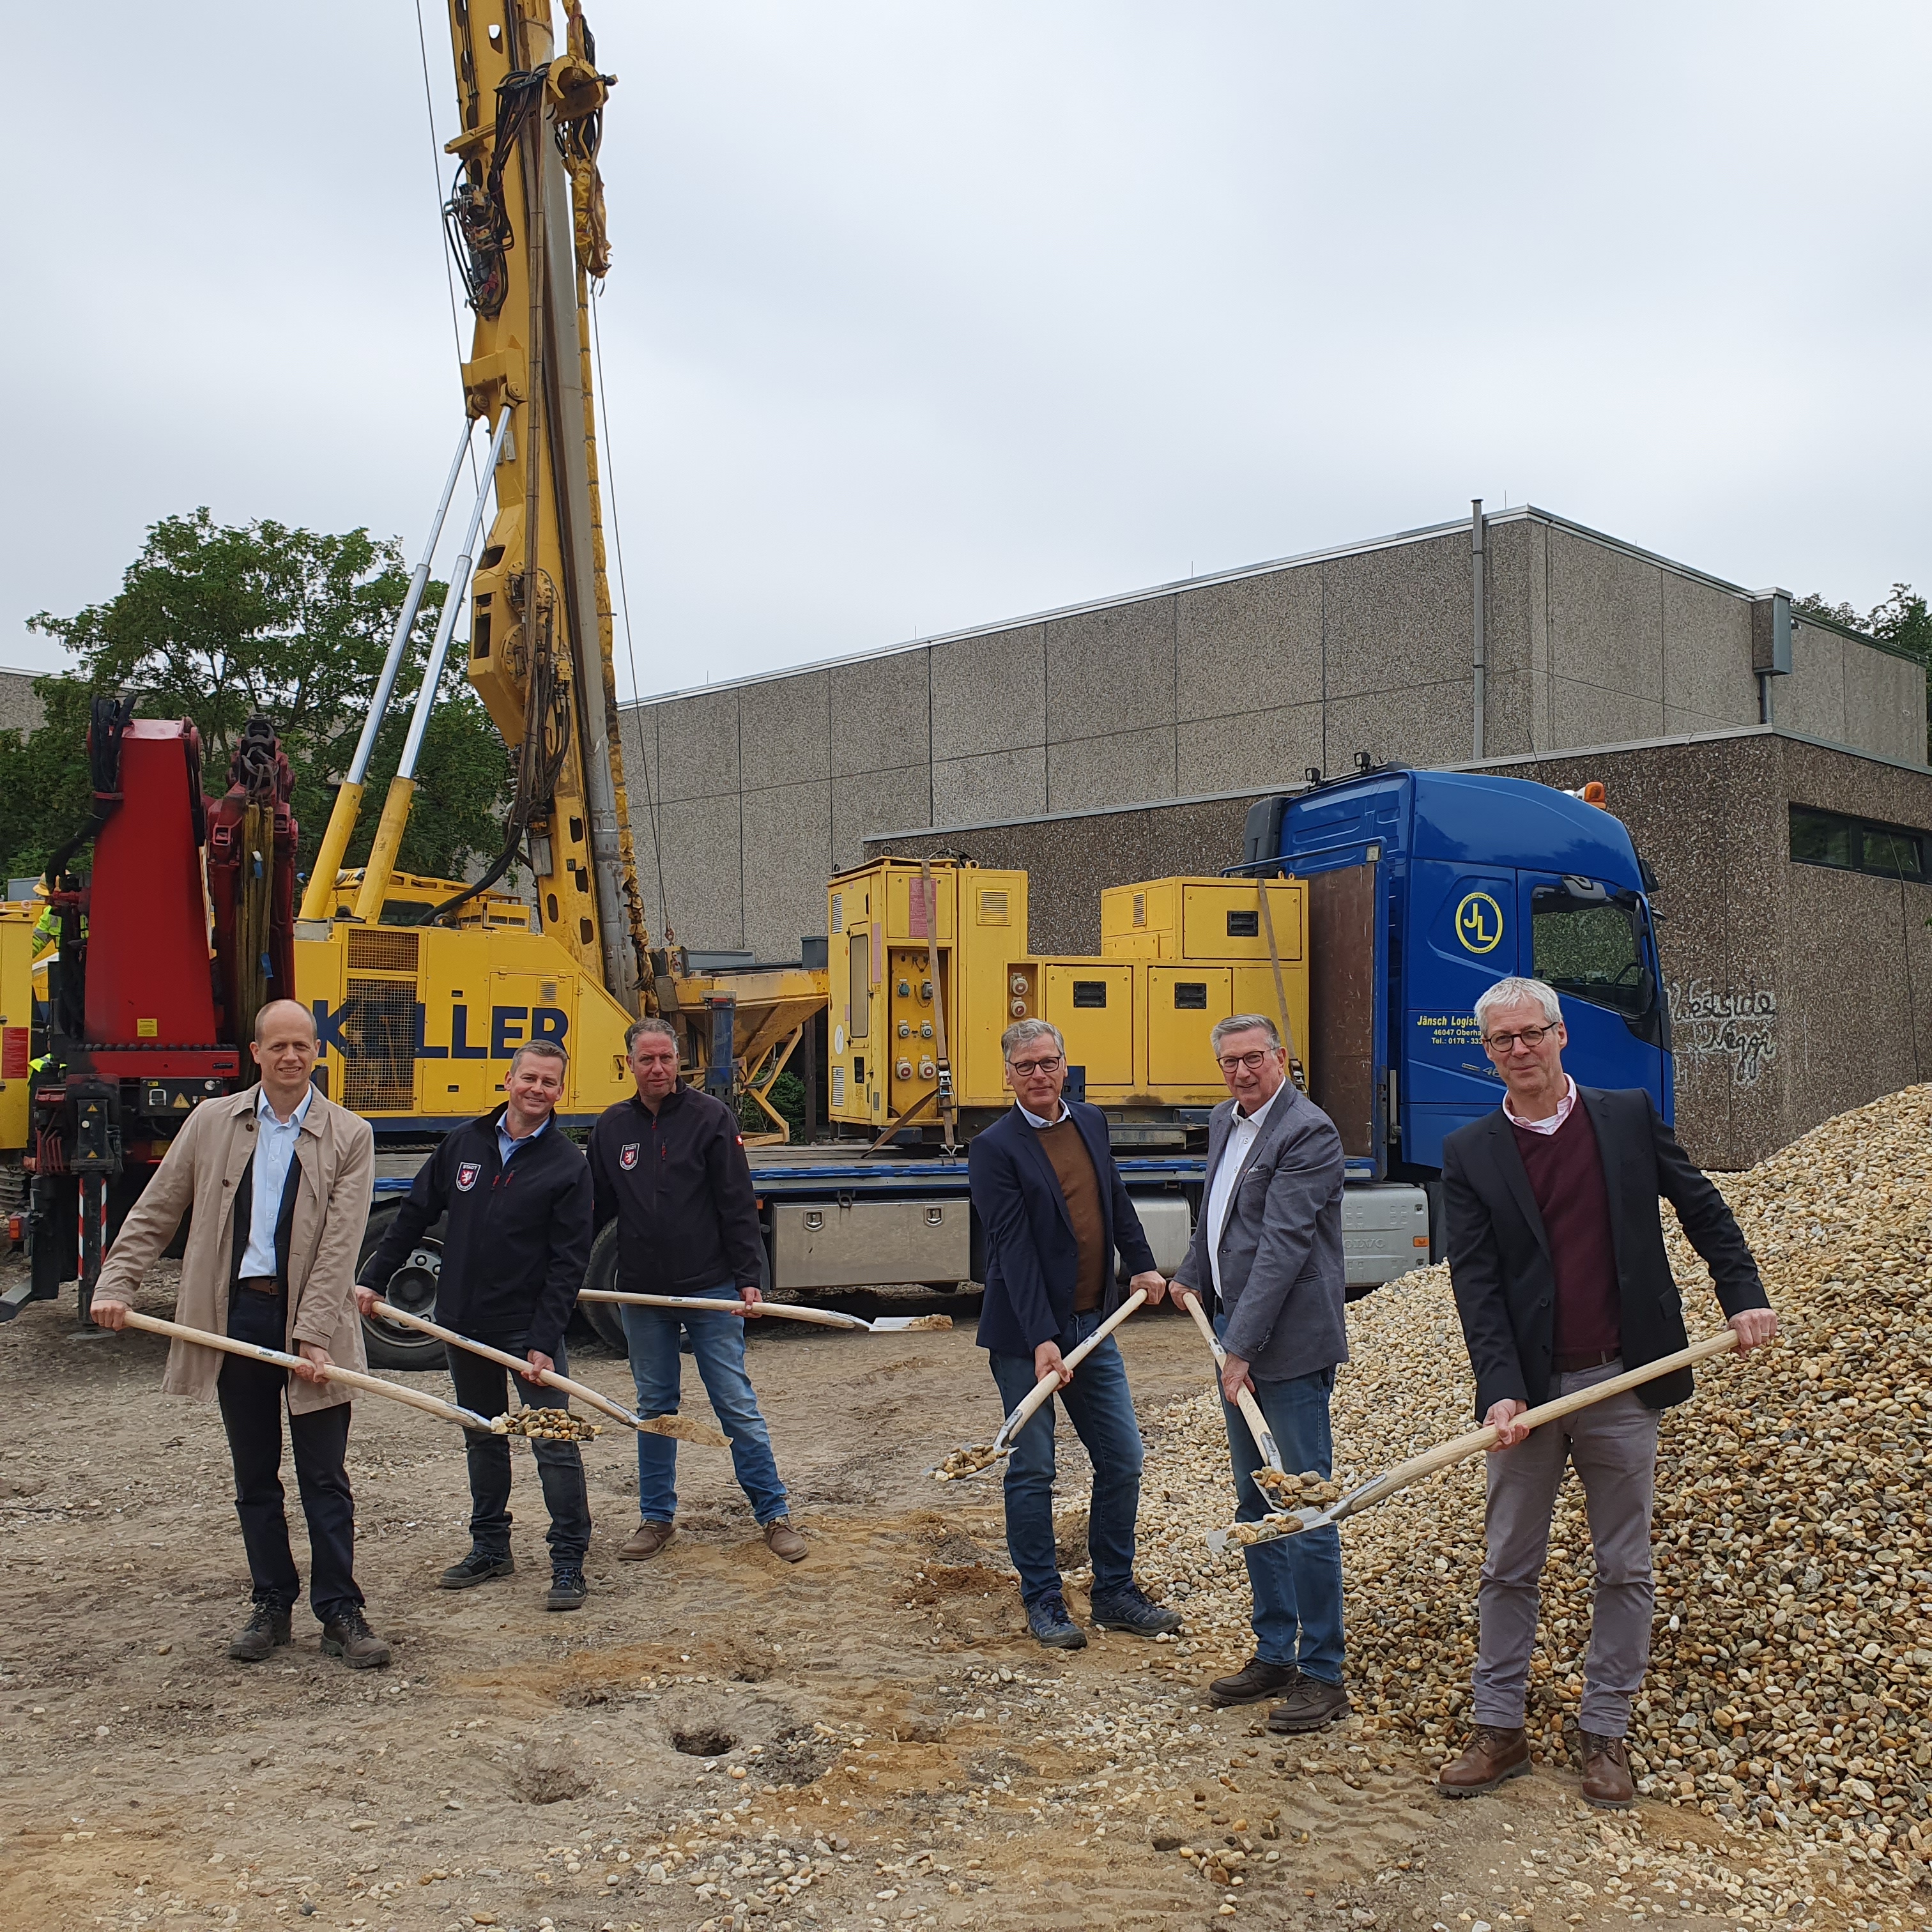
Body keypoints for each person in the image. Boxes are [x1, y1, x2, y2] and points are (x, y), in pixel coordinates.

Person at [1436, 975, 1777, 1808]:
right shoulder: (1471, 1150)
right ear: (1488, 1053)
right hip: (1530, 1393)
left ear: (1561, 1035)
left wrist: (1742, 1295)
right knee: (1507, 1564)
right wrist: (1500, 1389)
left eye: (1532, 1033)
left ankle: (1605, 1733)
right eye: (1502, 1040)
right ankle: (1499, 1729)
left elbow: (1703, 1210)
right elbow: (1476, 1283)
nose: (1520, 1050)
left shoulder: (1625, 1116)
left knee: (1623, 1565)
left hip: (1625, 1375)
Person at [90, 999, 388, 1668]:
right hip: (237, 1320)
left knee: (324, 1477)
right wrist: (117, 1284)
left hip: (314, 1321)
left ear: (317, 1052)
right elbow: (156, 1210)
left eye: (302, 1045)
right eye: (277, 1046)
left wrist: (313, 1333)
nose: (290, 1057)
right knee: (255, 1475)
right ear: (256, 1053)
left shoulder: (350, 1134)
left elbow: (341, 1245)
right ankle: (271, 1604)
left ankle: (340, 1611)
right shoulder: (211, 1122)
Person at [356, 1038, 595, 1611]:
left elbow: (569, 1263)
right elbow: (414, 1213)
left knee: (551, 1441)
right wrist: (374, 1278)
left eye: (549, 1082)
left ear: (561, 1092)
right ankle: (490, 1547)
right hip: (462, 1324)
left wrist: (544, 1340)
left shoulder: (568, 1165)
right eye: (529, 1078)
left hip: (525, 1331)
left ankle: (568, 1561)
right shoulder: (464, 1143)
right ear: (508, 1081)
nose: (537, 1089)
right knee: (483, 1437)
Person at [967, 1017, 1181, 1650]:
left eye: (1048, 1062)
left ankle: (1114, 1591)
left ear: (1064, 1066)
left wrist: (1143, 1263)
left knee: (1123, 1458)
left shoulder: (1090, 1121)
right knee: (1034, 1468)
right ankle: (1043, 1598)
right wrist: (1042, 1337)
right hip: (1025, 1336)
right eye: (1025, 1066)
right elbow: (1012, 1250)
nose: (1039, 1075)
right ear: (1008, 1075)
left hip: (1094, 1326)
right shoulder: (994, 1148)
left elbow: (1113, 1199)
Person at [1170, 1013, 1351, 1734]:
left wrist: (1239, 1346)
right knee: (1255, 1503)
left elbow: (1283, 1244)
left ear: (1281, 1058)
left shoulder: (1309, 1132)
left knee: (1304, 1505)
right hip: (1235, 1340)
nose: (1242, 1072)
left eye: (1254, 1058)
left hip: (1289, 1345)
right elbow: (1217, 1218)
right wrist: (1190, 1273)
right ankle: (1275, 1652)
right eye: (1230, 1062)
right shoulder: (1226, 1120)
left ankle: (1324, 1672)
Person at [589, 1016, 806, 1563]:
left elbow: (736, 1201)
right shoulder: (612, 1127)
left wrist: (749, 1279)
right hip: (643, 1295)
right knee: (654, 1408)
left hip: (711, 1288)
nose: (657, 1068)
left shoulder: (711, 1117)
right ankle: (656, 1519)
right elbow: (592, 1210)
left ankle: (774, 1514)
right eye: (647, 1059)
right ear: (630, 1064)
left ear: (678, 1062)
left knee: (735, 1403)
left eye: (666, 1058)